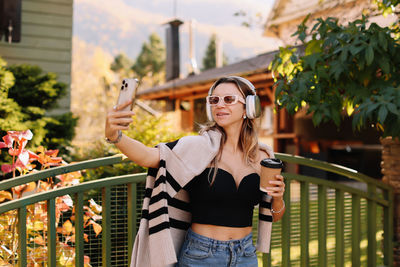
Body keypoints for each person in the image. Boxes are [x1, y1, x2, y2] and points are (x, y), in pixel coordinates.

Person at [105, 76, 286, 267]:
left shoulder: (263, 157)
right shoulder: (197, 147)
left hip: (245, 255)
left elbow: (274, 215)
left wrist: (278, 198)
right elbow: (148, 156)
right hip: (201, 255)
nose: (219, 105)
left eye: (229, 99)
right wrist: (115, 136)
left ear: (249, 107)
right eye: (214, 100)